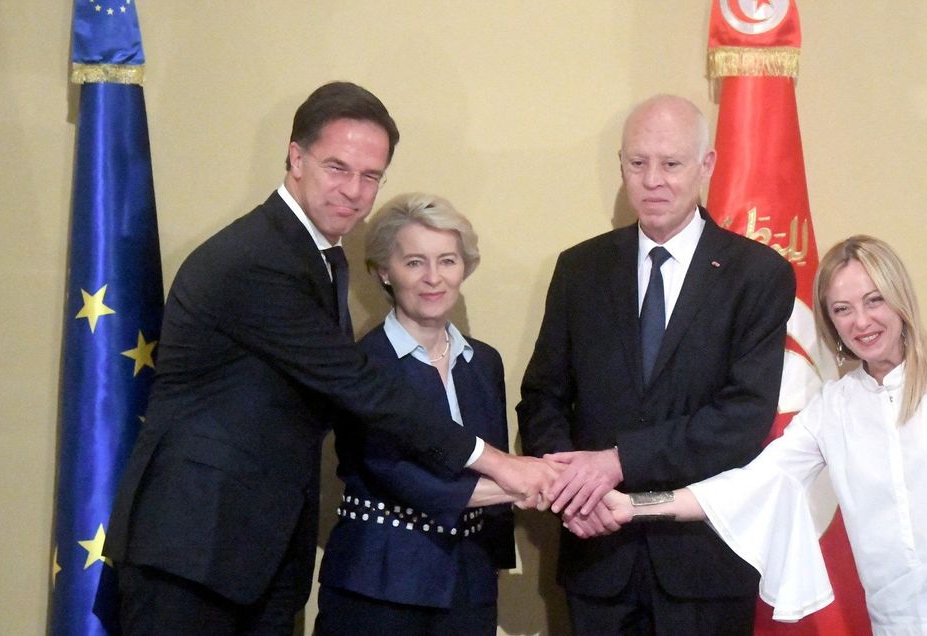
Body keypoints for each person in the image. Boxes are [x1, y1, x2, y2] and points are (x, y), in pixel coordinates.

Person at [104, 82, 554, 635]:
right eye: (337, 167)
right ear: (296, 157)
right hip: (192, 551)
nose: (354, 191)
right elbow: (361, 387)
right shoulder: (256, 259)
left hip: (257, 554)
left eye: (371, 176)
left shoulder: (319, 255)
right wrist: (501, 463)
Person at [583, 235, 927, 636]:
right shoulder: (835, 408)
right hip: (902, 623)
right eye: (842, 310)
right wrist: (634, 506)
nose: (861, 322)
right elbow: (752, 485)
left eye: (873, 301)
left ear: (900, 298)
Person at [516, 94, 797, 635]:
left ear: (705, 165)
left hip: (704, 566)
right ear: (621, 165)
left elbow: (741, 419)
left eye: (671, 164)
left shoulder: (757, 275)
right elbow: (543, 397)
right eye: (637, 163)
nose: (653, 180)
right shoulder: (580, 269)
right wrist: (571, 489)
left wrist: (618, 463)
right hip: (595, 555)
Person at [314, 194, 516, 635]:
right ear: (385, 271)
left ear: (464, 268)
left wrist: (527, 486)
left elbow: (493, 460)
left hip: (468, 586)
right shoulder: (360, 367)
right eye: (414, 263)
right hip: (379, 586)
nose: (433, 279)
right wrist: (532, 484)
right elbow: (401, 476)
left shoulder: (484, 363)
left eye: (447, 261)